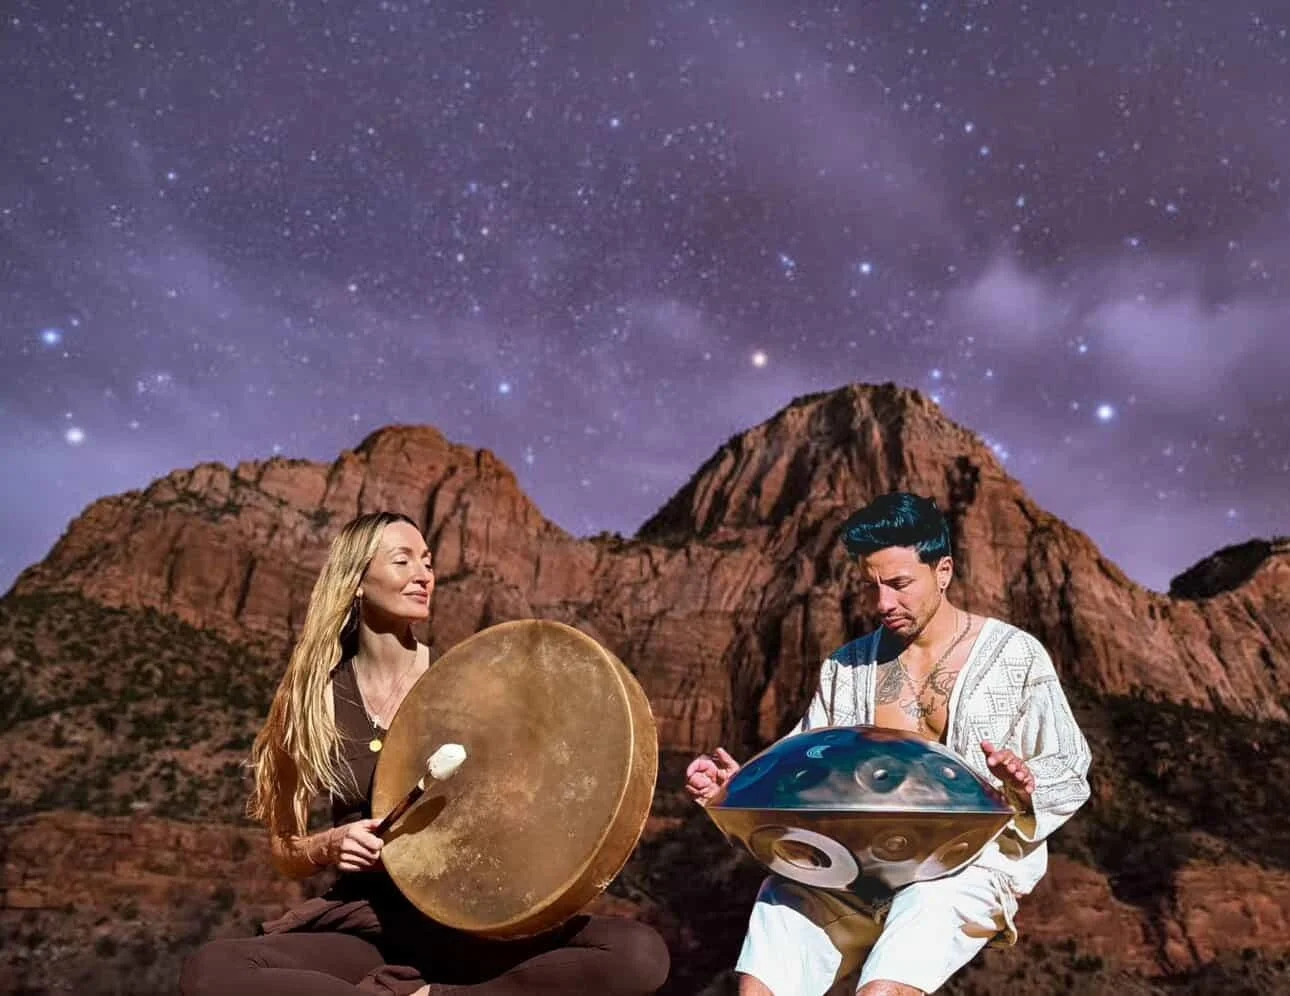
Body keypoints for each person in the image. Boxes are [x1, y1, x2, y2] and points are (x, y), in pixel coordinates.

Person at [181, 511, 669, 996]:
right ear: (356, 581)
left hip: (470, 924)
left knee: (637, 954)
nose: (424, 575)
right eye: (403, 561)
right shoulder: (312, 700)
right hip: (370, 926)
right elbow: (286, 850)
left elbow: (525, 803)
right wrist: (329, 845)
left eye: (429, 563)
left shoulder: (468, 683)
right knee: (212, 969)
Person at [686, 492, 1091, 996]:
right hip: (852, 867)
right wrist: (738, 786)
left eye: (899, 585)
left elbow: (1069, 763)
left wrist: (1023, 787)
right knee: (774, 929)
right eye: (871, 586)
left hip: (964, 866)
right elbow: (806, 761)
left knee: (885, 987)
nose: (882, 604)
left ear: (943, 571)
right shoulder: (847, 666)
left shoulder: (1015, 656)